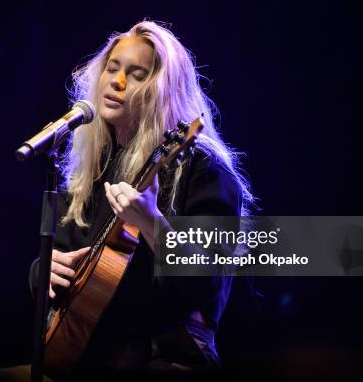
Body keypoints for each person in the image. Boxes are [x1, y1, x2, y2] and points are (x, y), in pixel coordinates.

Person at [27, 20, 255, 380]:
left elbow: (205, 284)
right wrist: (43, 271)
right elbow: (66, 259)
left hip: (163, 363)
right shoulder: (92, 165)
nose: (116, 82)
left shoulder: (202, 169)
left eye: (136, 74)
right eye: (112, 68)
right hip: (86, 359)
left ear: (163, 90)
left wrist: (151, 222)